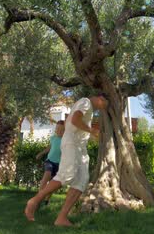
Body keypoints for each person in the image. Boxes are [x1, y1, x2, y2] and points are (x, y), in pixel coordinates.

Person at [24, 94, 108, 226]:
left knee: (81, 181)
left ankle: (61, 218)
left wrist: (90, 134)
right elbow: (74, 120)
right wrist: (92, 130)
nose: (104, 108)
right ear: (100, 98)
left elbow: (75, 124)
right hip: (72, 144)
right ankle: (35, 200)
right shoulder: (85, 102)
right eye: (105, 104)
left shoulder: (88, 109)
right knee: (66, 175)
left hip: (80, 149)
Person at [34, 120, 65, 206]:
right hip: (50, 160)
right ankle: (39, 197)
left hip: (59, 164)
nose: (59, 131)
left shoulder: (66, 141)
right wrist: (40, 153)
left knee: (52, 183)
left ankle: (47, 200)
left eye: (62, 130)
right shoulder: (53, 138)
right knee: (47, 174)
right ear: (55, 129)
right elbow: (49, 148)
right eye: (57, 129)